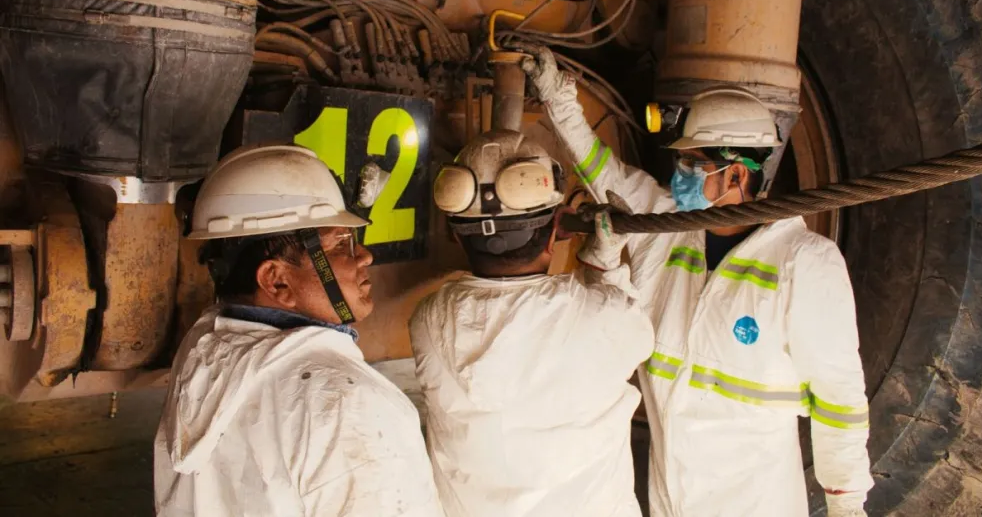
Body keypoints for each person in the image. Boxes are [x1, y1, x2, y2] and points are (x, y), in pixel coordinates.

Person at [523, 46, 873, 517]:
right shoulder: (666, 229)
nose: (679, 176)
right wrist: (559, 99)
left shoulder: (804, 264)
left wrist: (846, 505)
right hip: (672, 502)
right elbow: (603, 172)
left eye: (693, 164)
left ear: (736, 174)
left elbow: (840, 397)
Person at [154, 144, 444, 517]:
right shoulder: (349, 404)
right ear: (277, 281)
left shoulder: (203, 349)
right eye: (341, 244)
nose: (364, 256)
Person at [409, 129, 654, 517]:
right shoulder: (604, 316)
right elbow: (630, 337)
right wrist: (604, 261)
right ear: (554, 233)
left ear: (455, 234)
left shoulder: (428, 321)